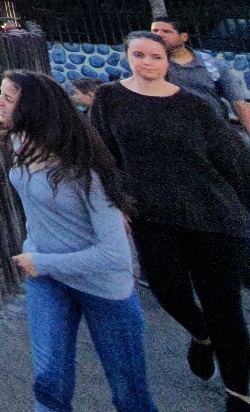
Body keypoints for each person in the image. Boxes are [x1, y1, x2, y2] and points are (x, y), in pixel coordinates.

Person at [91, 31, 250, 412]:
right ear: (126, 56)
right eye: (139, 54)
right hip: (151, 217)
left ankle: (239, 391)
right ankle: (200, 334)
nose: (147, 62)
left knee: (224, 305)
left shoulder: (193, 106)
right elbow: (101, 157)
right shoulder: (109, 99)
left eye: (155, 56)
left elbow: (233, 159)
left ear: (168, 62)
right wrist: (117, 204)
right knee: (168, 291)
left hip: (212, 216)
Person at [0, 70, 157, 412]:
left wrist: (40, 261)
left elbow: (114, 256)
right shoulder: (19, 143)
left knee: (129, 393)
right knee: (49, 381)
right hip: (48, 282)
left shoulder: (85, 170)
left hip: (102, 288)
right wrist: (34, 246)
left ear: (33, 110)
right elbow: (36, 207)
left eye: (7, 99)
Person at [152, 17, 250, 138]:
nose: (159, 35)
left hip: (216, 131)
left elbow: (239, 104)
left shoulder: (212, 64)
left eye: (166, 31)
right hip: (177, 134)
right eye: (154, 31)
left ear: (184, 37)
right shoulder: (152, 67)